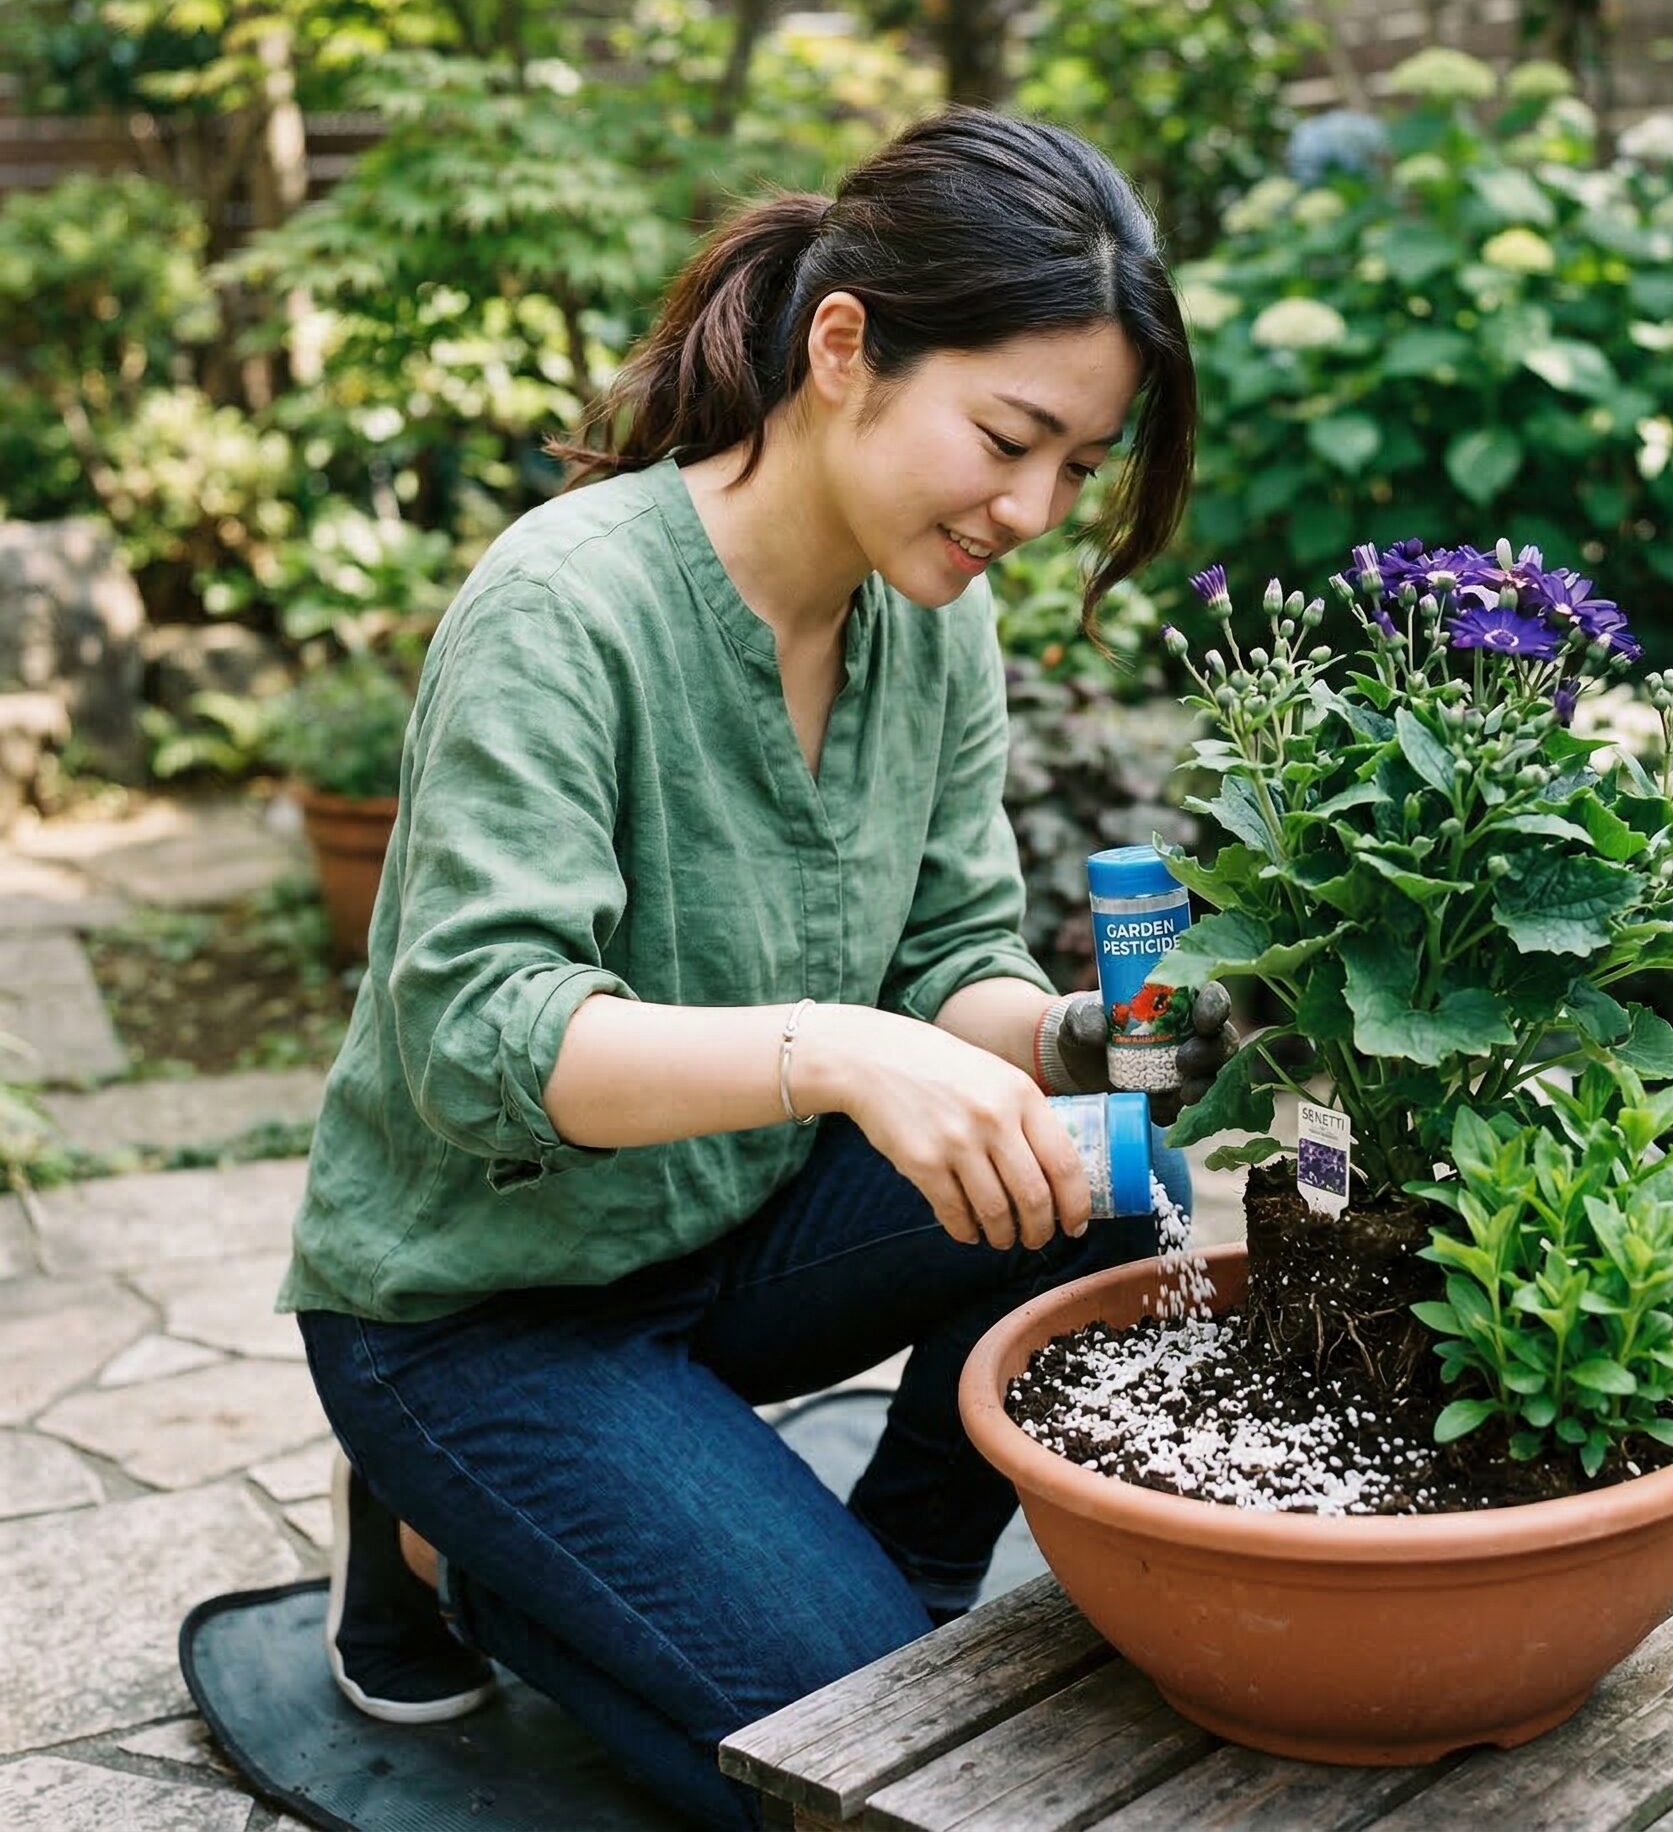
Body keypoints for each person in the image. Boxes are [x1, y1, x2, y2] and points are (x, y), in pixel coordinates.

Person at [277, 108, 1231, 1829]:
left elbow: (953, 956)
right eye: (1012, 437)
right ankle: (456, 1545)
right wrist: (843, 1053)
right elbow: (480, 1032)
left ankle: (892, 1581)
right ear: (845, 345)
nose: (1031, 508)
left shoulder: (933, 608)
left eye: (1078, 468)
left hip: (727, 1242)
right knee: (858, 1792)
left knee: (1123, 1160)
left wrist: (1089, 1039)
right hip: (482, 1311)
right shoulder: (568, 605)